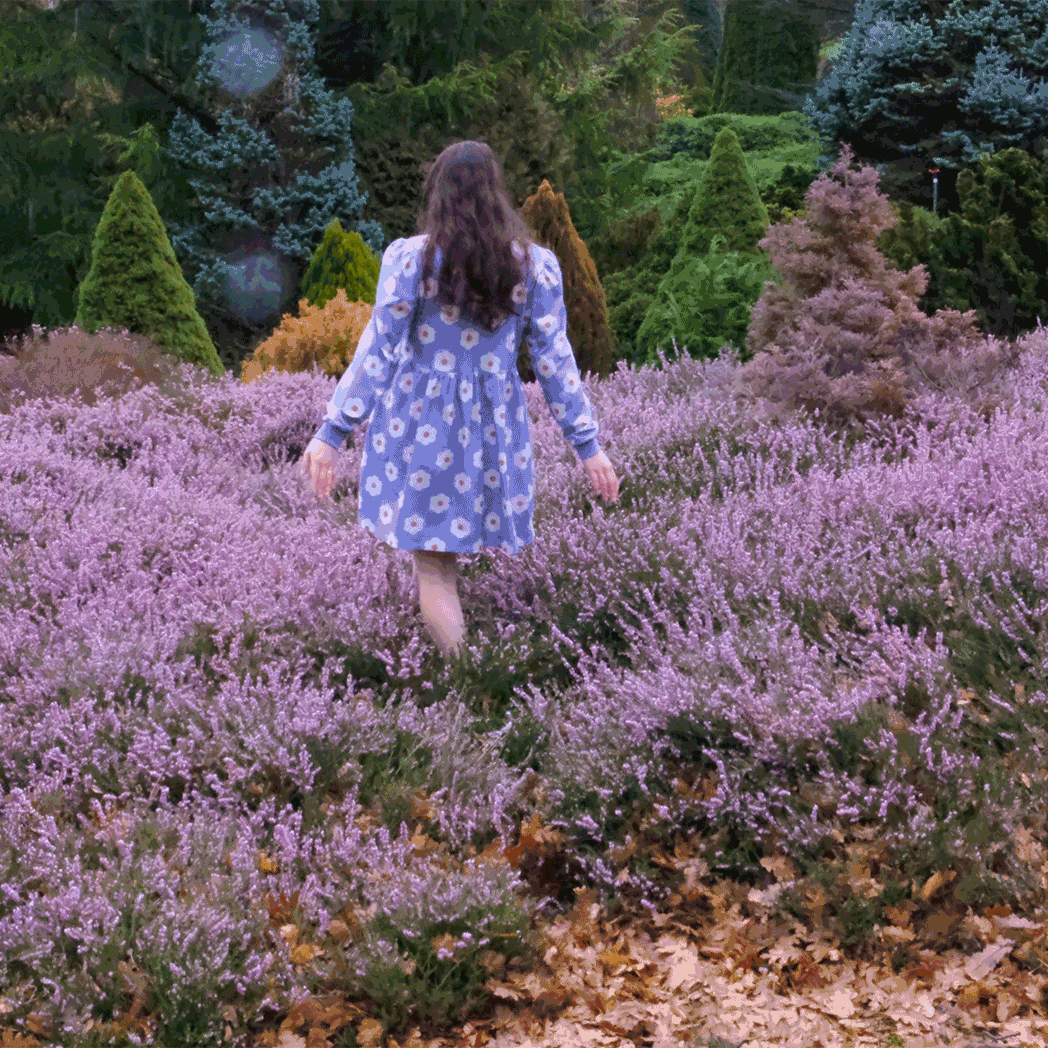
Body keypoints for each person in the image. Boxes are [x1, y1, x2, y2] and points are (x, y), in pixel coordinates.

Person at [298, 140, 619, 661]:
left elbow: (378, 350)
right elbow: (555, 361)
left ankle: (471, 678)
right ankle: (473, 670)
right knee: (445, 563)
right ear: (497, 194)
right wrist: (589, 446)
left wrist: (332, 432)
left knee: (433, 569)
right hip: (492, 430)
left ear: (438, 194)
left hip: (420, 424)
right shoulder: (532, 266)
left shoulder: (413, 258)